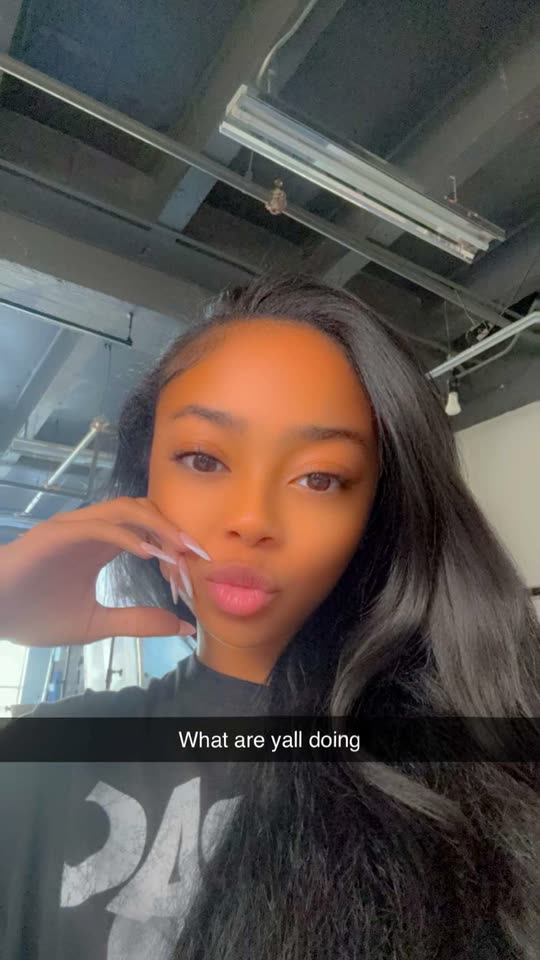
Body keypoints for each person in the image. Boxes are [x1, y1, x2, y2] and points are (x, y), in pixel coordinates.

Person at [0, 273, 539, 960]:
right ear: (144, 477)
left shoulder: (472, 760)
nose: (252, 519)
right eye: (203, 459)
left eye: (319, 477)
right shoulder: (44, 753)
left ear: (377, 511)